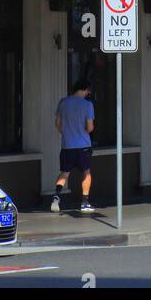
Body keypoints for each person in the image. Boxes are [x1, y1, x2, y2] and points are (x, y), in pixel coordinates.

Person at [51, 80, 95, 213]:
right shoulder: (87, 105)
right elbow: (90, 127)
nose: (88, 93)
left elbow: (58, 124)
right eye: (88, 91)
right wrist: (85, 131)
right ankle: (85, 202)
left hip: (67, 145)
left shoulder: (63, 102)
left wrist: (67, 133)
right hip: (83, 146)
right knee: (86, 173)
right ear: (85, 90)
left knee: (64, 173)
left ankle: (56, 198)